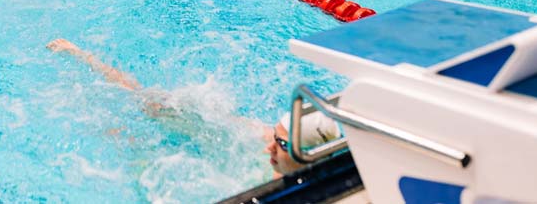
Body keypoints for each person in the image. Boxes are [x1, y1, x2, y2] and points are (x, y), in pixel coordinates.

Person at [47, 38, 341, 179]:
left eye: (281, 144)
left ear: (311, 155)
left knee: (128, 145)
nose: (269, 147)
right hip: (205, 150)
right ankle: (83, 56)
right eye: (274, 137)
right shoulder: (260, 139)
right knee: (153, 104)